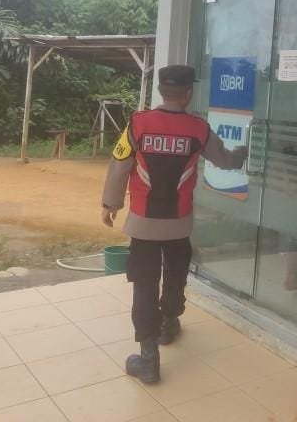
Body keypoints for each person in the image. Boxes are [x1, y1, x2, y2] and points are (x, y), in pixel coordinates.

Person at [100, 65, 247, 384]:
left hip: (143, 224)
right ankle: (168, 323)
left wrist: (110, 204)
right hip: (179, 223)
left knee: (144, 283)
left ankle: (148, 358)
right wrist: (243, 153)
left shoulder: (138, 123)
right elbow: (225, 160)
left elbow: (120, 164)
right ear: (188, 93)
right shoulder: (199, 129)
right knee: (176, 273)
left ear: (160, 91)